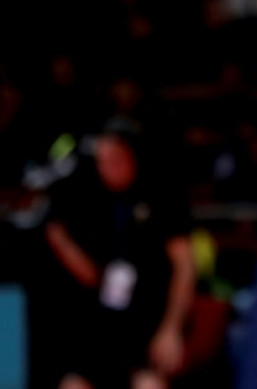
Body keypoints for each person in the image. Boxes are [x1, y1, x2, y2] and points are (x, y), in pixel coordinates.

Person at [42, 129, 195, 388]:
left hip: (150, 320)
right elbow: (92, 276)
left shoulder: (161, 196)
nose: (107, 169)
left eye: (114, 159)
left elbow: (185, 266)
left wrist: (172, 328)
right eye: (101, 162)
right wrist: (61, 242)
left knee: (149, 385)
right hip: (104, 324)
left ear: (132, 155)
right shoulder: (92, 199)